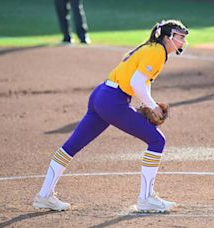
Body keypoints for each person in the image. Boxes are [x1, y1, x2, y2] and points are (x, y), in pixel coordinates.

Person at [33, 19, 189, 213]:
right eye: (181, 37)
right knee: (157, 140)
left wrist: (148, 102)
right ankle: (146, 198)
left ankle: (44, 195)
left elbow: (142, 81)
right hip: (113, 101)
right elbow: (137, 83)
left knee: (72, 145)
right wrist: (152, 106)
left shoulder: (151, 48)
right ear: (168, 38)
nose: (183, 41)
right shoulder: (157, 52)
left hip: (102, 94)